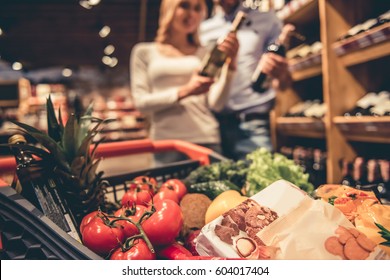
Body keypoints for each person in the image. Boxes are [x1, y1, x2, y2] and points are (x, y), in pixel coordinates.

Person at [130, 0, 239, 164]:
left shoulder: (205, 52)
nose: (192, 14)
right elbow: (141, 103)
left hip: (205, 139)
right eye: (185, 5)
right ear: (169, 8)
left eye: (197, 8)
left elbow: (216, 103)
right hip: (165, 143)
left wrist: (231, 66)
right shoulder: (144, 52)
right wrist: (186, 90)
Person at [200, 0, 292, 160]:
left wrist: (281, 73)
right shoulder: (203, 30)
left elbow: (283, 84)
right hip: (211, 127)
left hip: (253, 125)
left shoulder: (268, 20)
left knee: (261, 182)